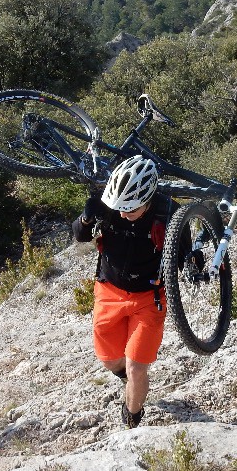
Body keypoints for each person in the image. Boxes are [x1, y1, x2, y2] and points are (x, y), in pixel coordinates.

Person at [72, 155, 177, 428]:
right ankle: (128, 379)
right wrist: (85, 219)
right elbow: (80, 236)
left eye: (130, 209)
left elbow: (184, 253)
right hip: (109, 291)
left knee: (136, 366)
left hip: (149, 297)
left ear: (148, 200)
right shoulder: (110, 204)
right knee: (110, 361)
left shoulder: (169, 213)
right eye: (119, 207)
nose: (122, 213)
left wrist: (193, 260)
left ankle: (132, 417)